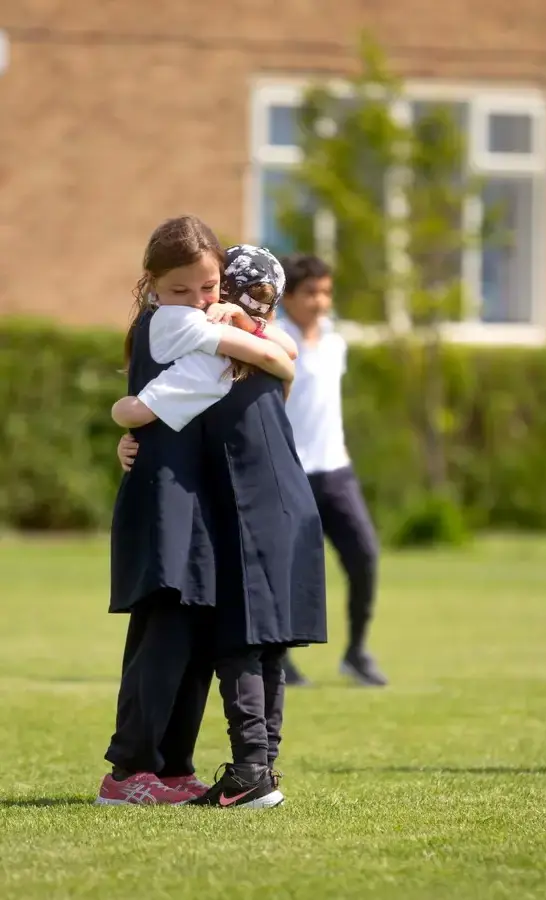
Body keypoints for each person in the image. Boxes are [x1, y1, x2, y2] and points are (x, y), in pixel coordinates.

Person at [113, 243, 327, 809]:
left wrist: (127, 418)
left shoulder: (217, 357)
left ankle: (249, 772)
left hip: (246, 506)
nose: (201, 301)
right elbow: (283, 359)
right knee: (264, 643)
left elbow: (140, 408)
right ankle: (256, 771)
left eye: (209, 290)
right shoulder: (247, 348)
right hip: (282, 503)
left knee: (240, 641)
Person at [276, 254, 388, 688]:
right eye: (311, 293)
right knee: (289, 570)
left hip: (337, 472)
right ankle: (279, 657)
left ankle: (356, 652)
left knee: (365, 556)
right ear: (287, 298)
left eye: (326, 292)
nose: (321, 302)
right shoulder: (273, 340)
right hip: (292, 474)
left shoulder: (335, 342)